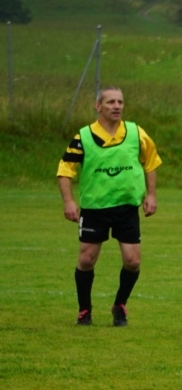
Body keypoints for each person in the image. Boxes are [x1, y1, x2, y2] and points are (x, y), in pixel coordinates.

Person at [57, 87, 161, 326]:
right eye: (111, 102)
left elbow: (151, 163)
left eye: (120, 102)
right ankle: (84, 310)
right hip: (95, 208)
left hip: (126, 207)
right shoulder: (83, 136)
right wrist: (69, 201)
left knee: (133, 261)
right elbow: (65, 170)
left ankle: (119, 306)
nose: (117, 106)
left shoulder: (136, 132)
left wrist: (151, 195)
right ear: (98, 106)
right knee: (86, 260)